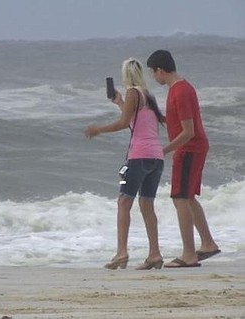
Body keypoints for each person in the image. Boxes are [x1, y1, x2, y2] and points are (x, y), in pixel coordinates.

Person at [85, 58, 166, 270]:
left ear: (125, 75)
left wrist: (98, 130)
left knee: (123, 202)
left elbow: (123, 123)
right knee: (147, 205)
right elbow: (136, 120)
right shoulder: (148, 95)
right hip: (156, 158)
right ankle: (155, 254)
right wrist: (120, 103)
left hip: (138, 157)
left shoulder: (133, 93)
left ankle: (121, 253)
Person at [146, 50, 220, 268]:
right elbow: (179, 122)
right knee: (187, 198)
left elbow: (188, 131)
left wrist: (164, 150)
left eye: (153, 73)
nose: (153, 77)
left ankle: (188, 254)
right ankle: (208, 244)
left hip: (189, 148)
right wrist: (156, 115)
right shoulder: (179, 88)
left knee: (180, 198)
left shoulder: (180, 91)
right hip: (192, 147)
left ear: (160, 69)